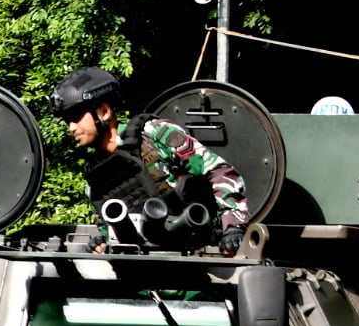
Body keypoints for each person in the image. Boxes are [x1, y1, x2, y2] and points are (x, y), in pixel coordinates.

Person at [49, 66, 248, 253]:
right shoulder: (96, 178)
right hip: (146, 271)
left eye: (76, 117)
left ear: (104, 111)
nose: (71, 128)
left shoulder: (154, 135)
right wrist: (102, 241)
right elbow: (110, 230)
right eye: (68, 121)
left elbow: (218, 170)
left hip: (195, 257)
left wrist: (232, 225)